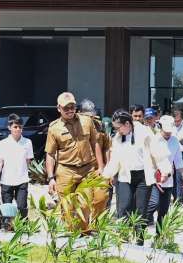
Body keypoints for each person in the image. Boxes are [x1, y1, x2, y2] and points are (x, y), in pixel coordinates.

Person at [103, 108, 167, 243]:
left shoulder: (144, 132)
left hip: (143, 176)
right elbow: (114, 160)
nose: (117, 131)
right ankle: (123, 240)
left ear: (127, 124)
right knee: (123, 208)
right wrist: (105, 175)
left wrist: (165, 170)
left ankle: (139, 241)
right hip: (125, 176)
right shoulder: (118, 138)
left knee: (141, 210)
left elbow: (158, 152)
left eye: (118, 127)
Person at [46, 92, 107, 225]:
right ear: (59, 108)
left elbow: (95, 143)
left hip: (86, 170)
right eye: (66, 108)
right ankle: (70, 239)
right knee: (67, 209)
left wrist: (101, 167)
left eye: (72, 107)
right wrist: (51, 178)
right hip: (65, 171)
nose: (69, 110)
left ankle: (84, 236)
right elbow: (50, 154)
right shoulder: (54, 128)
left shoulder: (86, 121)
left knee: (84, 205)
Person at [0, 113, 34, 225]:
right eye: (15, 127)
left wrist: (29, 175)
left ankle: (23, 228)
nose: (18, 129)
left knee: (22, 207)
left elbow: (28, 161)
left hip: (22, 180)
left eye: (20, 127)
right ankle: (7, 228)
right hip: (6, 181)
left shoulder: (27, 143)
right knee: (7, 208)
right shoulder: (3, 143)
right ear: (9, 127)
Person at [148, 115, 183, 227]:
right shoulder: (153, 140)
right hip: (155, 178)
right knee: (153, 204)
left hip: (168, 180)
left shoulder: (175, 141)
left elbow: (178, 160)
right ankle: (138, 227)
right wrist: (158, 176)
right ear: (160, 127)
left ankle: (159, 237)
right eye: (166, 132)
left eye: (170, 132)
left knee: (164, 210)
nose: (168, 134)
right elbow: (150, 160)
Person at [79, 99, 112, 165]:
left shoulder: (99, 125)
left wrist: (108, 165)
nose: (89, 120)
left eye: (91, 116)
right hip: (80, 167)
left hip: (97, 167)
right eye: (86, 117)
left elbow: (106, 146)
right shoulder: (75, 126)